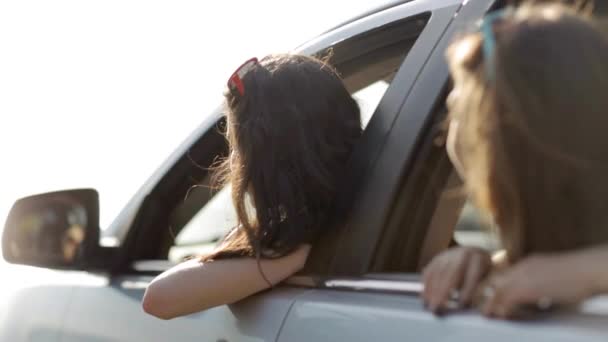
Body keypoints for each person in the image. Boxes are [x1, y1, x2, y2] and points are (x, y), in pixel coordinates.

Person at [422, 3, 608, 319]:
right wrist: (483, 262)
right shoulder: (544, 260)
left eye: (456, 109)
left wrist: (587, 271)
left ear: (494, 141)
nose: (448, 126)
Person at [142, 54, 362, 319]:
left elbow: (159, 299)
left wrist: (291, 255)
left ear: (265, 160)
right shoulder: (377, 204)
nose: (234, 160)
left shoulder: (300, 246)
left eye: (238, 148)